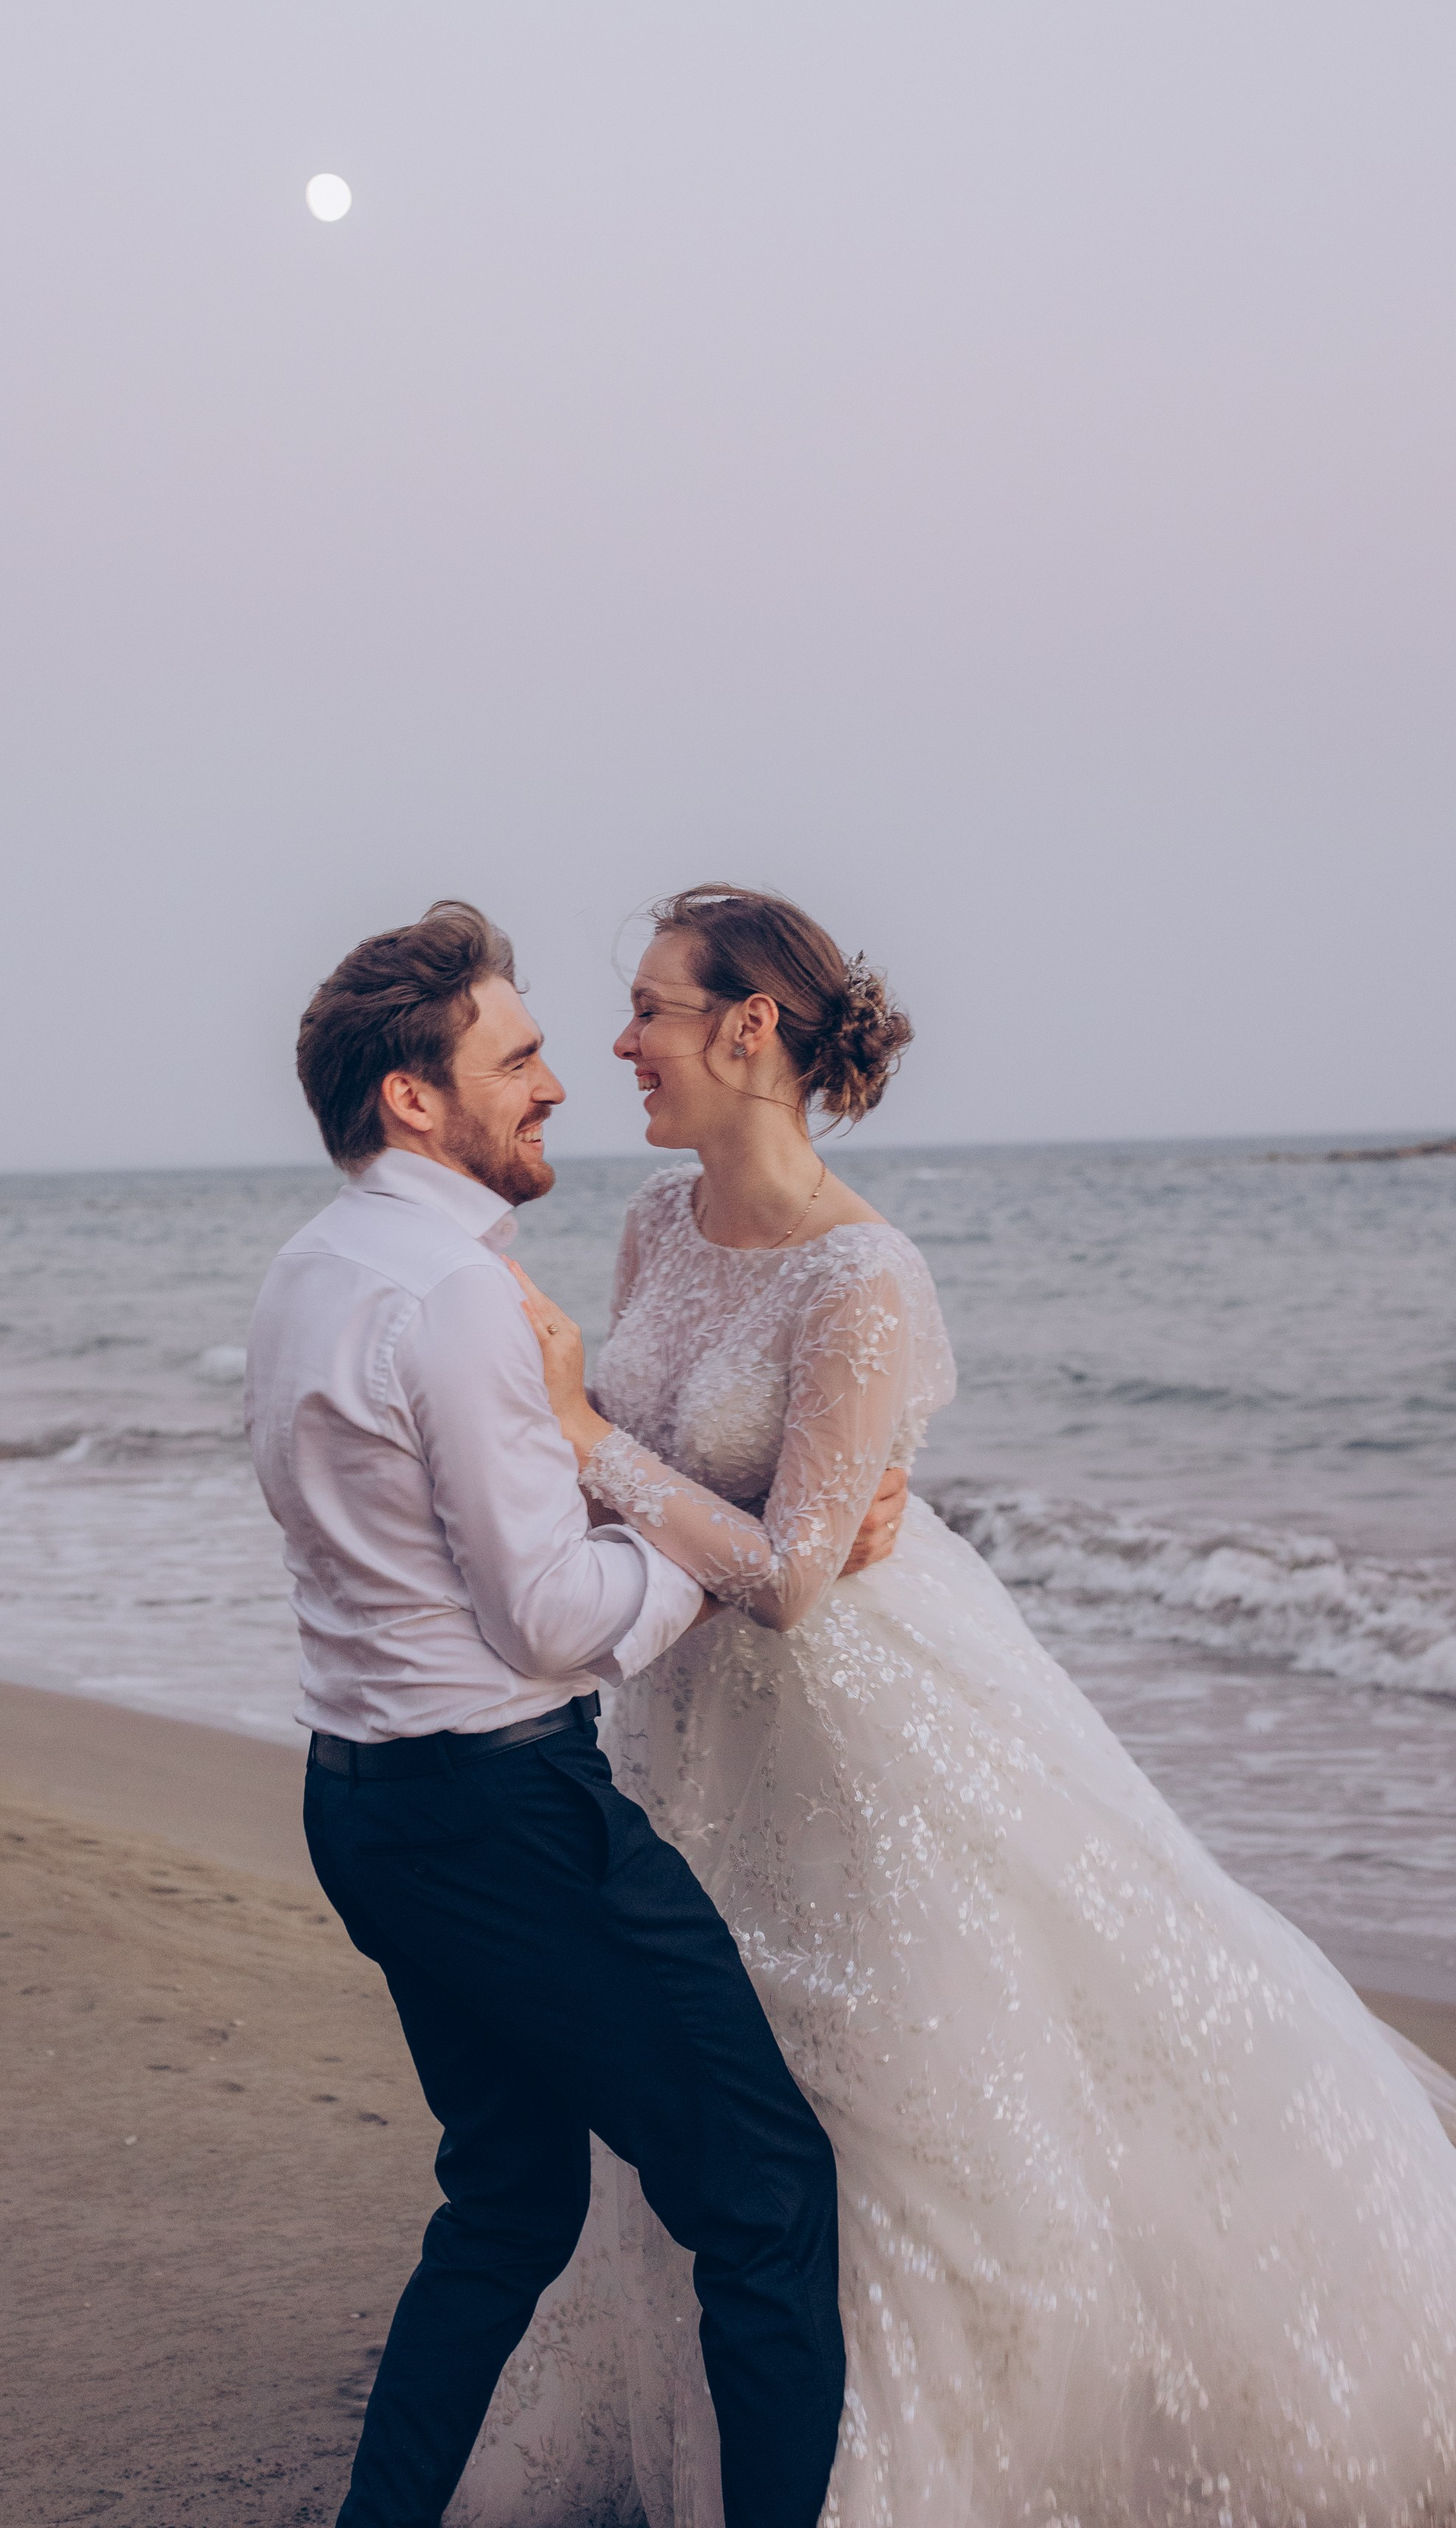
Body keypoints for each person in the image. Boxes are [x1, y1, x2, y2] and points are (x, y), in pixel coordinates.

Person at [453, 882, 1456, 2528]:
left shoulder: (866, 1275)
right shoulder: (648, 1226)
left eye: (648, 1008)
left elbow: (789, 1578)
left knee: (890, 2096)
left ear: (748, 1026)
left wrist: (585, 1438)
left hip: (851, 1729)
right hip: (686, 1734)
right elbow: (671, 1505)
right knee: (705, 2089)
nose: (619, 1043)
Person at [245, 900, 904, 2528]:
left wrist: (629, 1489)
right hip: (502, 1816)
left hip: (362, 1799)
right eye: (520, 1053)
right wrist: (715, 1533)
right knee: (764, 2193)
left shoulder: (311, 1267)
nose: (560, 1080)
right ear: (417, 1097)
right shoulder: (456, 1296)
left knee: (509, 2193)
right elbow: (546, 1613)